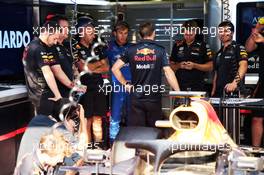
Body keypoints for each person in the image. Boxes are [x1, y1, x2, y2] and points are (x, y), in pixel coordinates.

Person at [112, 22, 180, 127]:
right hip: (153, 98)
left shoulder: (130, 50)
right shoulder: (160, 50)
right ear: (154, 33)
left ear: (139, 35)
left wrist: (126, 84)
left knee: (138, 131)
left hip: (136, 98)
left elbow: (115, 68)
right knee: (154, 130)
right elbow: (168, 72)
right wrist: (178, 92)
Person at [15, 98, 87, 174]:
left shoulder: (37, 118)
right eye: (74, 120)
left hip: (24, 167)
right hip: (34, 168)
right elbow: (83, 147)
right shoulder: (60, 130)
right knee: (76, 159)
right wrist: (82, 119)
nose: (75, 124)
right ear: (66, 119)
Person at [74, 16, 109, 146]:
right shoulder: (75, 47)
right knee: (86, 120)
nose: (93, 33)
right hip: (85, 88)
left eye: (93, 30)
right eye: (89, 30)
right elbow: (83, 68)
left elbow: (106, 67)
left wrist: (92, 67)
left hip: (99, 86)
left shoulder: (98, 47)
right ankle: (88, 149)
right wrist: (96, 64)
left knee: (98, 118)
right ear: (81, 32)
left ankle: (98, 147)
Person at [23, 21, 62, 112]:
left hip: (39, 94)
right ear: (48, 33)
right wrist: (58, 95)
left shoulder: (33, 45)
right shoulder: (38, 48)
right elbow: (47, 72)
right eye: (55, 38)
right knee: (48, 125)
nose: (56, 42)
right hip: (42, 94)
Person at [47, 14, 86, 98]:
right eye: (64, 27)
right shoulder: (50, 47)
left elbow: (73, 67)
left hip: (70, 93)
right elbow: (56, 71)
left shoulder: (66, 46)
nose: (67, 30)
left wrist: (77, 81)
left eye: (67, 27)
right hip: (58, 94)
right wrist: (73, 86)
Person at [106, 21, 132, 142]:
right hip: (116, 87)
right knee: (115, 118)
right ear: (114, 33)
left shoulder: (132, 48)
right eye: (120, 33)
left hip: (130, 87)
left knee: (132, 117)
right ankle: (113, 145)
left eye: (126, 33)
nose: (123, 36)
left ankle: (132, 145)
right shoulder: (108, 47)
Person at [170, 20, 213, 91]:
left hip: (198, 86)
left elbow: (211, 66)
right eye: (186, 34)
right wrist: (179, 66)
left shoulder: (203, 45)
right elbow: (170, 66)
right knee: (181, 102)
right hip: (180, 86)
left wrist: (195, 65)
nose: (188, 37)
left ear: (195, 32)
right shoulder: (177, 45)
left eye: (191, 35)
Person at [211, 21, 248, 98]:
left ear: (232, 33)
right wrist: (213, 91)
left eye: (226, 31)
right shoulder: (218, 53)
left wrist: (234, 83)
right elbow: (216, 73)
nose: (223, 34)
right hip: (219, 94)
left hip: (234, 92)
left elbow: (244, 65)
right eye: (220, 31)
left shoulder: (238, 48)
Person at [245, 17, 264, 147]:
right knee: (257, 117)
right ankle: (256, 151)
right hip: (262, 83)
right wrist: (257, 30)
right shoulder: (260, 34)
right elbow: (248, 48)